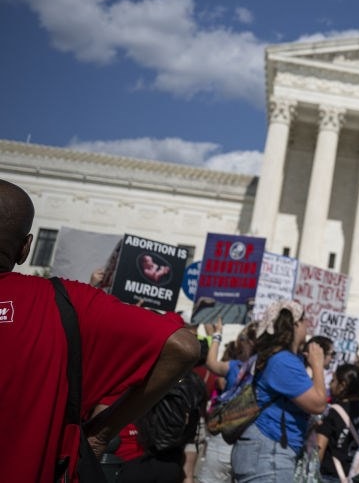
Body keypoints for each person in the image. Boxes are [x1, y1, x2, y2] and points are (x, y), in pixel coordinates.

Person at [0, 178, 201, 483]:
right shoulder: (64, 302)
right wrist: (100, 434)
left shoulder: (67, 302)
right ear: (25, 248)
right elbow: (184, 346)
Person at [230, 299, 328, 483]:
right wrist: (318, 365)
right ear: (295, 324)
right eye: (304, 320)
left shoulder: (278, 357)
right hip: (269, 453)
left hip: (265, 451)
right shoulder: (283, 361)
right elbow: (319, 404)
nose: (308, 325)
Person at [196, 320, 258, 483]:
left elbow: (211, 363)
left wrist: (217, 335)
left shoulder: (235, 366)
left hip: (225, 437)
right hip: (250, 445)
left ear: (247, 343)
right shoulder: (268, 370)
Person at [317, 362, 359, 482]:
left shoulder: (332, 413)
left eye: (333, 381)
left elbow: (319, 448)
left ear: (342, 385)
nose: (330, 384)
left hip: (334, 477)